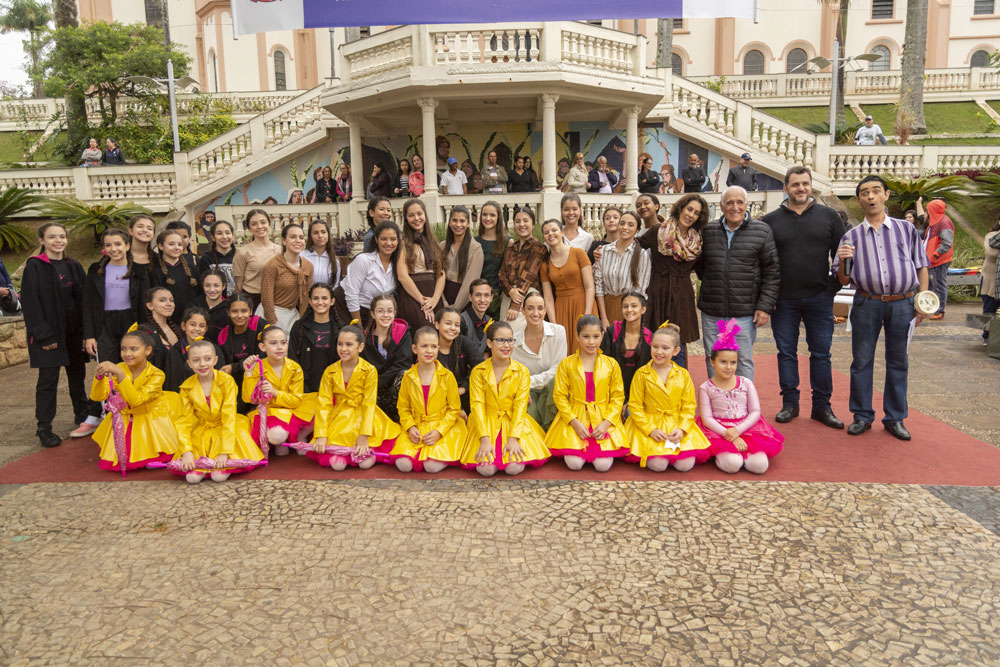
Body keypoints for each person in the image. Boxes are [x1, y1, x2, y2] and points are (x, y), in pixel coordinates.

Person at [834, 175, 929, 441]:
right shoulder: (850, 237)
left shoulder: (905, 229)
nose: (871, 197)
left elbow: (921, 264)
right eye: (865, 193)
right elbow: (843, 279)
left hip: (903, 303)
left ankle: (895, 417)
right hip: (867, 302)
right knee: (861, 361)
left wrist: (923, 301)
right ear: (858, 200)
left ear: (886, 195)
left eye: (876, 191)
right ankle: (862, 415)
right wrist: (843, 262)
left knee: (898, 361)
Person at [761, 166, 847, 428]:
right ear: (785, 188)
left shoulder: (830, 216)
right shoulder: (770, 221)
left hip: (819, 298)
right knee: (786, 353)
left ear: (811, 187)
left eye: (805, 184)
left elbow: (843, 255)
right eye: (795, 184)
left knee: (821, 354)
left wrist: (833, 287)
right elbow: (764, 263)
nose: (801, 189)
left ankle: (822, 407)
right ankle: (790, 403)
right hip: (783, 300)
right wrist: (768, 297)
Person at [22, 224, 103, 445]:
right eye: (52, 237)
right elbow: (30, 305)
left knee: (76, 375)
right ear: (42, 241)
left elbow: (85, 300)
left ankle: (81, 414)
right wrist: (44, 336)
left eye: (62, 236)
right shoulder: (35, 267)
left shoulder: (73, 265)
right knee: (48, 380)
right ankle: (44, 427)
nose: (58, 241)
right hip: (49, 335)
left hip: (73, 333)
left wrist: (88, 332)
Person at [695, 185, 780, 381]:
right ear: (722, 206)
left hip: (744, 312)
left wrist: (764, 306)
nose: (735, 207)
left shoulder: (762, 231)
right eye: (729, 203)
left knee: (741, 361)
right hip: (712, 311)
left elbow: (772, 272)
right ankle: (718, 404)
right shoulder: (708, 231)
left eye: (740, 202)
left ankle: (742, 407)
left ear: (746, 204)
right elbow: (701, 267)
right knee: (714, 358)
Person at [459, 321, 550, 476]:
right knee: (486, 469)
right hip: (485, 422)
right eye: (500, 340)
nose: (506, 345)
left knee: (514, 467)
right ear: (489, 343)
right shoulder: (478, 372)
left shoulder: (521, 371)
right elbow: (477, 405)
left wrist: (514, 438)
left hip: (513, 421)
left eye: (510, 340)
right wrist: (484, 439)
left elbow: (521, 406)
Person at [307, 324, 401, 470]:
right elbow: (324, 404)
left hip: (365, 417)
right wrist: (321, 434)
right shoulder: (330, 371)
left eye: (349, 344)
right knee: (337, 465)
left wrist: (364, 435)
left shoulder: (369, 370)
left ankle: (370, 451)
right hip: (340, 419)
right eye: (340, 344)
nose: (343, 349)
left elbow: (369, 403)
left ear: (360, 347)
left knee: (365, 463)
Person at [698, 319, 785, 474]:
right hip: (719, 431)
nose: (728, 367)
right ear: (712, 362)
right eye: (723, 362)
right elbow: (707, 418)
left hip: (748, 429)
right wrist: (728, 433)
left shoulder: (746, 383)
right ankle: (724, 454)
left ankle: (745, 454)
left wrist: (738, 430)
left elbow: (755, 412)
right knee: (732, 465)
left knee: (759, 467)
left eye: (733, 362)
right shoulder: (706, 387)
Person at [173, 340, 265, 483]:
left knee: (218, 476)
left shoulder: (226, 381)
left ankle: (221, 462)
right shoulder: (186, 387)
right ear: (190, 363)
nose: (202, 364)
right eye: (196, 360)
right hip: (203, 430)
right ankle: (204, 464)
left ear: (215, 360)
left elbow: (228, 416)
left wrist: (225, 452)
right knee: (191, 478)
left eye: (207, 359)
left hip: (226, 428)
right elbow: (182, 421)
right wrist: (187, 452)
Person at [545, 315, 628, 472]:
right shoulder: (567, 363)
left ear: (602, 336)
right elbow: (560, 396)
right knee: (574, 464)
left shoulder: (611, 364)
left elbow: (617, 397)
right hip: (576, 417)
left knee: (603, 466)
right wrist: (574, 422)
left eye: (596, 336)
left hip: (603, 417)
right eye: (586, 337)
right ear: (577, 336)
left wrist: (606, 423)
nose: (591, 342)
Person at [625, 324, 711, 471]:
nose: (659, 352)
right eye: (655, 347)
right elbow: (635, 405)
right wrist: (650, 429)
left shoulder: (683, 374)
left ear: (676, 351)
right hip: (650, 422)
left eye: (665, 348)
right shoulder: (641, 374)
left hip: (675, 423)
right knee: (658, 465)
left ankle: (676, 443)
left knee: (685, 465)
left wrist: (683, 429)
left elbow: (689, 405)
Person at [90, 329, 178, 472]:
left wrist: (120, 376)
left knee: (153, 452)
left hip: (149, 416)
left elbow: (137, 400)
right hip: (124, 417)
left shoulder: (157, 374)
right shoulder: (119, 368)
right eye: (123, 349)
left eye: (134, 349)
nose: (127, 354)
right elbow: (98, 397)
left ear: (148, 350)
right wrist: (99, 379)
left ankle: (153, 455)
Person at [637, 193, 707, 368]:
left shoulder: (697, 241)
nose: (691, 215)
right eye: (689, 209)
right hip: (657, 293)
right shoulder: (658, 231)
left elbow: (704, 271)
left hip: (682, 296)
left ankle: (678, 388)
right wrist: (601, 248)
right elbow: (632, 250)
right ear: (681, 208)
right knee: (654, 344)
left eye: (696, 213)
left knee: (678, 346)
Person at [390, 327, 468, 472]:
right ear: (414, 349)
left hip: (443, 426)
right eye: (424, 346)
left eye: (433, 346)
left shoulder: (447, 376)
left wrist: (439, 431)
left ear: (438, 349)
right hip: (418, 426)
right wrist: (410, 427)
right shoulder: (408, 377)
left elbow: (454, 409)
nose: (429, 351)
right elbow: (403, 407)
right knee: (403, 464)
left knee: (431, 466)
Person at [241, 326, 314, 455]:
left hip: (292, 407)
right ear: (263, 347)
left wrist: (275, 393)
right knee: (277, 434)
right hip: (270, 412)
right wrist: (249, 373)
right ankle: (280, 441)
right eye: (273, 343)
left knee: (323, 403)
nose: (280, 347)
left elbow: (296, 401)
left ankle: (300, 435)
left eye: (283, 342)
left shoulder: (294, 367)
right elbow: (248, 398)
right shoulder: (257, 367)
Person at [83, 229, 149, 364]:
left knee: (132, 366)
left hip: (131, 322)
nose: (113, 249)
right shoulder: (95, 270)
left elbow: (145, 305)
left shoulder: (139, 271)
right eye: (108, 245)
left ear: (127, 245)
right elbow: (87, 304)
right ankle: (111, 387)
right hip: (104, 325)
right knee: (108, 369)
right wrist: (89, 336)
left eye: (118, 244)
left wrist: (144, 332)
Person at [512, 291, 566, 430]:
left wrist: (528, 381)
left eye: (540, 308)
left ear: (545, 310)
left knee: (557, 381)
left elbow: (558, 370)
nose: (536, 313)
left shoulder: (559, 332)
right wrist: (523, 389)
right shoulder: (514, 340)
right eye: (530, 308)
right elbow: (514, 374)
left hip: (552, 390)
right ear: (523, 311)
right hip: (528, 393)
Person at [541, 219, 596, 353]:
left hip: (583, 303)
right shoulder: (544, 264)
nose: (551, 234)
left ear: (562, 232)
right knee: (565, 350)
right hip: (561, 307)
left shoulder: (578, 253)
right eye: (546, 232)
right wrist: (554, 324)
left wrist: (587, 314)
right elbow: (548, 297)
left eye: (554, 230)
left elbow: (590, 286)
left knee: (586, 347)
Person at [334, 220, 398, 327]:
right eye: (383, 239)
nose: (388, 243)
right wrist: (358, 325)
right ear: (376, 240)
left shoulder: (398, 264)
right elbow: (351, 293)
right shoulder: (364, 260)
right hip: (346, 307)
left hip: (373, 311)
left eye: (393, 239)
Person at [594, 211, 650, 329]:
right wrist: (603, 318)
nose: (625, 228)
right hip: (607, 305)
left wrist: (631, 316)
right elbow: (598, 286)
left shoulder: (641, 255)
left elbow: (640, 290)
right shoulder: (603, 251)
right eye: (622, 223)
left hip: (629, 309)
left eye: (630, 225)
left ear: (637, 230)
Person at [361, 293, 413, 421]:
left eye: (389, 311)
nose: (385, 315)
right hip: (372, 390)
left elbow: (403, 363)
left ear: (395, 313)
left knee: (404, 374)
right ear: (373, 314)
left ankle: (399, 416)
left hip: (393, 389)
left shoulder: (402, 333)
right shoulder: (365, 337)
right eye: (380, 311)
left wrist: (378, 381)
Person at [397, 198, 446, 330]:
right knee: (425, 333)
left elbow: (441, 274)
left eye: (419, 213)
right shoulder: (403, 243)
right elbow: (402, 276)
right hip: (414, 296)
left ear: (425, 215)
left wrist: (435, 299)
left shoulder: (433, 242)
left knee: (439, 334)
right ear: (406, 219)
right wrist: (423, 302)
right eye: (411, 215)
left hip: (433, 296)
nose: (416, 218)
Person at [216, 293, 267, 413]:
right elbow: (224, 367)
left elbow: (264, 355)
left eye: (244, 311)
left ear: (250, 311)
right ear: (228, 313)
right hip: (238, 383)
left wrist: (235, 367)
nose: (239, 315)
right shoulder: (223, 335)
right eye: (234, 311)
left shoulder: (259, 324)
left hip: (262, 379)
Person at [258, 224, 312, 332]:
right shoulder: (273, 265)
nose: (298, 240)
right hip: (273, 313)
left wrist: (303, 319)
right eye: (293, 237)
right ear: (284, 240)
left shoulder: (307, 266)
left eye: (301, 237)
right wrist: (272, 321)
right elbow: (266, 296)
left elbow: (306, 297)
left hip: (292, 315)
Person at [599, 292, 650, 406]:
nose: (629, 309)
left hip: (639, 396)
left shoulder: (649, 338)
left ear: (643, 309)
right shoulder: (612, 333)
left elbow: (650, 375)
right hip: (611, 393)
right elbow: (603, 367)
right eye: (625, 306)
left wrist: (633, 401)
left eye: (634, 306)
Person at [498, 206, 545, 329]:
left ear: (533, 224)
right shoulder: (510, 248)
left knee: (517, 336)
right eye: (518, 221)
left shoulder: (538, 247)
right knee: (503, 336)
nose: (521, 224)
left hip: (527, 297)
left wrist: (515, 305)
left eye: (525, 220)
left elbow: (529, 275)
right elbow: (501, 275)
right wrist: (510, 291)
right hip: (508, 296)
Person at [289, 283, 341, 393]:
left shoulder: (341, 329)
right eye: (316, 298)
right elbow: (292, 359)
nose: (320, 302)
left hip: (333, 388)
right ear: (310, 301)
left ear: (332, 301)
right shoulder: (299, 327)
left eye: (324, 298)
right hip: (304, 388)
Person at [164, 306, 224, 392]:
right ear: (183, 326)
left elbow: (221, 379)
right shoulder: (175, 352)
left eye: (202, 326)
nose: (197, 329)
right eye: (192, 324)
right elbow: (172, 383)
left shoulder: (215, 350)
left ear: (206, 329)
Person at [233, 209, 281, 312]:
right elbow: (238, 285)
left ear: (269, 224)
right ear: (249, 228)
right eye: (254, 224)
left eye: (263, 222)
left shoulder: (280, 250)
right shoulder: (242, 252)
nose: (260, 226)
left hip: (276, 298)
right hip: (252, 300)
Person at [150, 229, 201, 326]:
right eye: (171, 244)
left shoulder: (191, 268)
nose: (176, 247)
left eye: (180, 244)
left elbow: (200, 293)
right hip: (168, 320)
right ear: (161, 246)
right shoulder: (155, 271)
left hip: (191, 319)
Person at [439, 205, 484, 312]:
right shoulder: (442, 246)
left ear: (468, 223)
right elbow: (437, 276)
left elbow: (470, 281)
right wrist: (443, 302)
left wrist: (456, 308)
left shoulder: (475, 248)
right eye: (454, 220)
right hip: (442, 297)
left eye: (462, 221)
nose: (458, 225)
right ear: (449, 222)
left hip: (464, 300)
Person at [435, 307, 479, 415]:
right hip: (436, 399)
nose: (453, 328)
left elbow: (480, 368)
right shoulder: (430, 344)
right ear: (437, 324)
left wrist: (464, 387)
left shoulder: (464, 342)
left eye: (457, 325)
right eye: (448, 324)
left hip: (463, 396)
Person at [136, 287, 180, 378]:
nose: (169, 304)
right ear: (150, 306)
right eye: (162, 300)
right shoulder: (143, 331)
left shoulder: (179, 330)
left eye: (171, 300)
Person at [923, 199, 954, 320]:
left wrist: (936, 254)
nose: (928, 211)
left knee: (939, 285)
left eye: (929, 209)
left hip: (939, 260)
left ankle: (940, 310)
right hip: (932, 260)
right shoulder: (935, 221)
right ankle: (929, 309)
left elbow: (947, 242)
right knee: (931, 286)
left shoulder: (944, 222)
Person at [475, 200, 508, 318]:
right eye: (484, 214)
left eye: (492, 215)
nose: (488, 218)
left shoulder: (507, 241)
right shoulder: (474, 241)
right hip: (478, 297)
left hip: (498, 297)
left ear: (498, 217)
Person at [301, 219, 343, 290]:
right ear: (310, 236)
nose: (320, 236)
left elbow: (335, 286)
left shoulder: (335, 261)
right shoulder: (302, 256)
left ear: (328, 234)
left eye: (323, 232)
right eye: (315, 233)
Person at [197, 220, 237, 295]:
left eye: (228, 233)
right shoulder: (207, 259)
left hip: (237, 302)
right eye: (219, 233)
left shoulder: (240, 256)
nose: (224, 237)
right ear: (213, 237)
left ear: (233, 236)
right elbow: (202, 284)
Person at [191, 270, 229, 343]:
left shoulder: (229, 308)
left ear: (223, 286)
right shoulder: (194, 306)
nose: (212, 290)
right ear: (203, 286)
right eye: (207, 285)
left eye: (216, 285)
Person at [461, 279, 493, 359]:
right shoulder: (461, 320)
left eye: (486, 295)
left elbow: (487, 352)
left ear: (491, 298)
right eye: (478, 295)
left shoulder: (490, 321)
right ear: (470, 297)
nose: (482, 300)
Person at [981, 215, 1000, 344]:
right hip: (990, 279)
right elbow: (991, 253)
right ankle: (986, 336)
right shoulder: (991, 236)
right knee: (989, 309)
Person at [127, 214, 156, 279]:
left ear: (153, 234)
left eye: (150, 228)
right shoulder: (119, 255)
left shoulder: (157, 259)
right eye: (140, 226)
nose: (145, 230)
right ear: (131, 231)